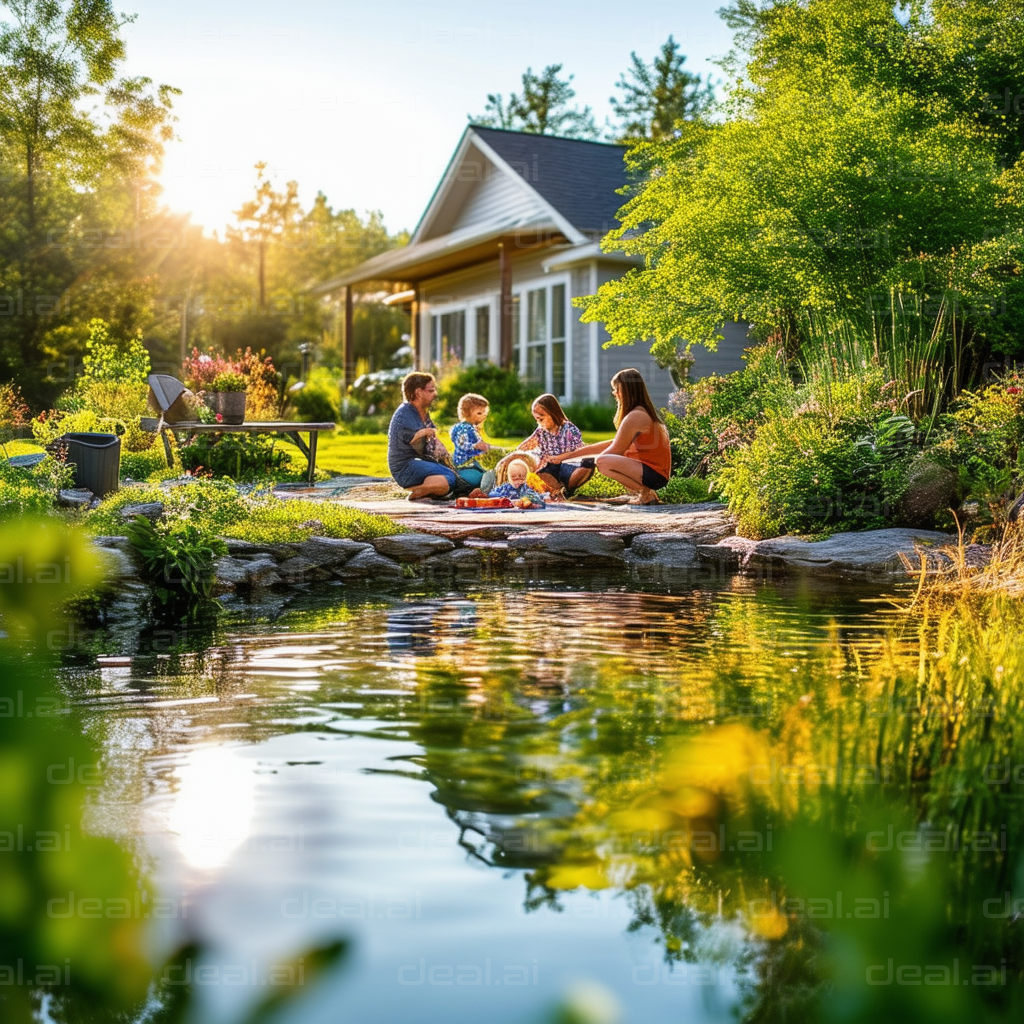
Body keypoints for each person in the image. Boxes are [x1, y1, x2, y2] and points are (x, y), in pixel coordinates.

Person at [544, 368, 671, 505]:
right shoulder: (639, 413)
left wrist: (586, 463)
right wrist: (567, 456)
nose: (614, 393)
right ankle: (645, 494)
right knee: (603, 460)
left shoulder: (636, 416)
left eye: (617, 389)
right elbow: (612, 444)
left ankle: (645, 493)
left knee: (603, 462)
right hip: (653, 473)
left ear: (627, 390)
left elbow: (613, 452)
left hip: (654, 475)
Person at [387, 372, 457, 501]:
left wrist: (444, 455)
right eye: (431, 390)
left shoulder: (422, 412)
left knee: (451, 477)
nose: (435, 394)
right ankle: (418, 492)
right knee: (449, 478)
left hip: (416, 463)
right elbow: (416, 443)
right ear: (418, 392)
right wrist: (425, 434)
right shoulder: (405, 413)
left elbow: (432, 441)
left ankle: (427, 490)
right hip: (405, 468)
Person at [519, 393, 592, 499]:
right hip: (551, 467)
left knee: (586, 465)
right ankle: (557, 490)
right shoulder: (541, 431)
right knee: (541, 472)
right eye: (537, 420)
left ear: (553, 414)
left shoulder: (569, 429)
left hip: (570, 464)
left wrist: (560, 458)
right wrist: (519, 455)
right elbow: (526, 446)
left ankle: (568, 488)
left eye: (541, 419)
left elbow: (580, 451)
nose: (539, 423)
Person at [449, 392, 491, 489]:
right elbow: (461, 444)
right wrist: (475, 446)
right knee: (487, 477)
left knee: (488, 473)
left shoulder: (471, 427)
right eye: (479, 413)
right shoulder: (464, 428)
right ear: (466, 413)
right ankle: (466, 486)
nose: (483, 416)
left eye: (484, 413)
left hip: (472, 464)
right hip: (464, 466)